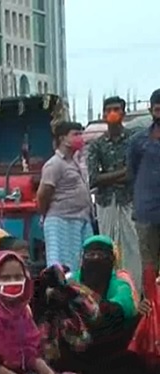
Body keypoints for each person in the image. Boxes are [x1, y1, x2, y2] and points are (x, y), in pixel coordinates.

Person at [58, 236, 148, 374]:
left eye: (102, 256)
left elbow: (123, 308)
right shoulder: (71, 279)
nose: (96, 260)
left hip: (111, 346)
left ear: (112, 259)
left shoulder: (120, 281)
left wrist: (87, 296)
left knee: (138, 320)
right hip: (77, 345)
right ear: (83, 258)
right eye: (91, 255)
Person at [87, 97, 139, 286]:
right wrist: (123, 172)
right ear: (103, 115)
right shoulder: (97, 144)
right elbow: (94, 179)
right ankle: (108, 290)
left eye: (116, 109)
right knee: (107, 248)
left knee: (133, 249)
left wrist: (109, 176)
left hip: (129, 201)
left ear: (123, 113)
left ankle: (134, 291)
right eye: (108, 110)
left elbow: (135, 172)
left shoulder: (134, 140)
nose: (112, 114)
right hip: (106, 203)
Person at [38, 121, 93, 272]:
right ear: (62, 139)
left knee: (82, 263)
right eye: (75, 134)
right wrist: (45, 214)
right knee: (61, 266)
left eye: (81, 134)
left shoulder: (76, 162)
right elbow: (43, 194)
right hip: (61, 221)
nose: (80, 137)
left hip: (81, 219)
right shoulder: (54, 164)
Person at [127, 89, 160, 279]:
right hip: (147, 212)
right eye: (158, 110)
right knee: (149, 267)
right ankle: (151, 299)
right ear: (151, 111)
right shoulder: (138, 141)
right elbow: (132, 171)